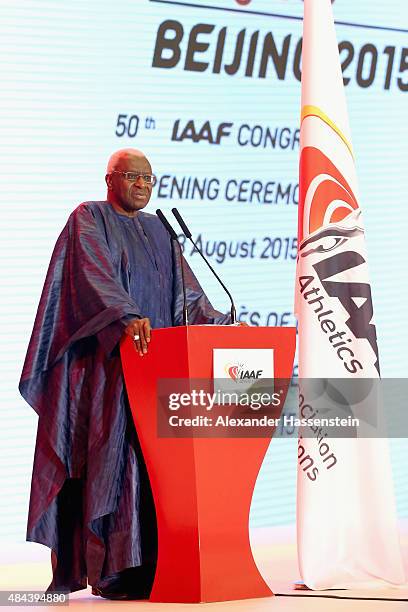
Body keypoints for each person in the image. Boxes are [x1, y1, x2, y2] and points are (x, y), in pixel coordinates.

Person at [19, 148, 232, 599]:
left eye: (148, 179)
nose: (142, 185)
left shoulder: (161, 230)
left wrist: (220, 322)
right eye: (132, 176)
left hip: (159, 371)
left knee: (155, 468)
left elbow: (187, 296)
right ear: (109, 179)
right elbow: (94, 280)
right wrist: (126, 316)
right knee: (115, 463)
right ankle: (114, 569)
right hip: (109, 370)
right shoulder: (89, 218)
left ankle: (152, 565)